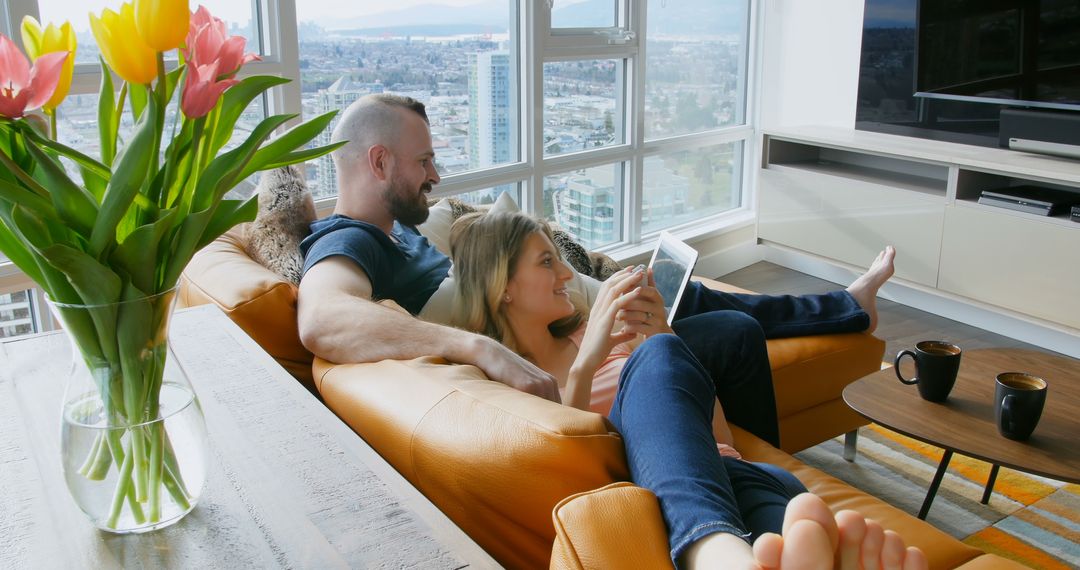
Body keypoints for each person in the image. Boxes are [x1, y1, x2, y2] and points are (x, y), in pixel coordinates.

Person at [297, 92, 895, 446]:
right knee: (715, 322)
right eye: (424, 160)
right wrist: (475, 347)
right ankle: (763, 445)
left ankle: (835, 318)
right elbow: (322, 319)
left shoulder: (397, 228)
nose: (435, 174)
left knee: (688, 303)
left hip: (560, 316)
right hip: (541, 333)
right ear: (378, 162)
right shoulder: (347, 239)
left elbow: (461, 236)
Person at [447, 210, 923, 570]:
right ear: (503, 286)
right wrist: (590, 360)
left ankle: (727, 553)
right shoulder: (512, 379)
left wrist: (666, 339)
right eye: (547, 262)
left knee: (666, 356)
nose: (568, 274)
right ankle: (719, 553)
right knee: (786, 528)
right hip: (659, 498)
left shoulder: (597, 332)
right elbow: (570, 462)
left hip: (730, 476)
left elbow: (721, 437)